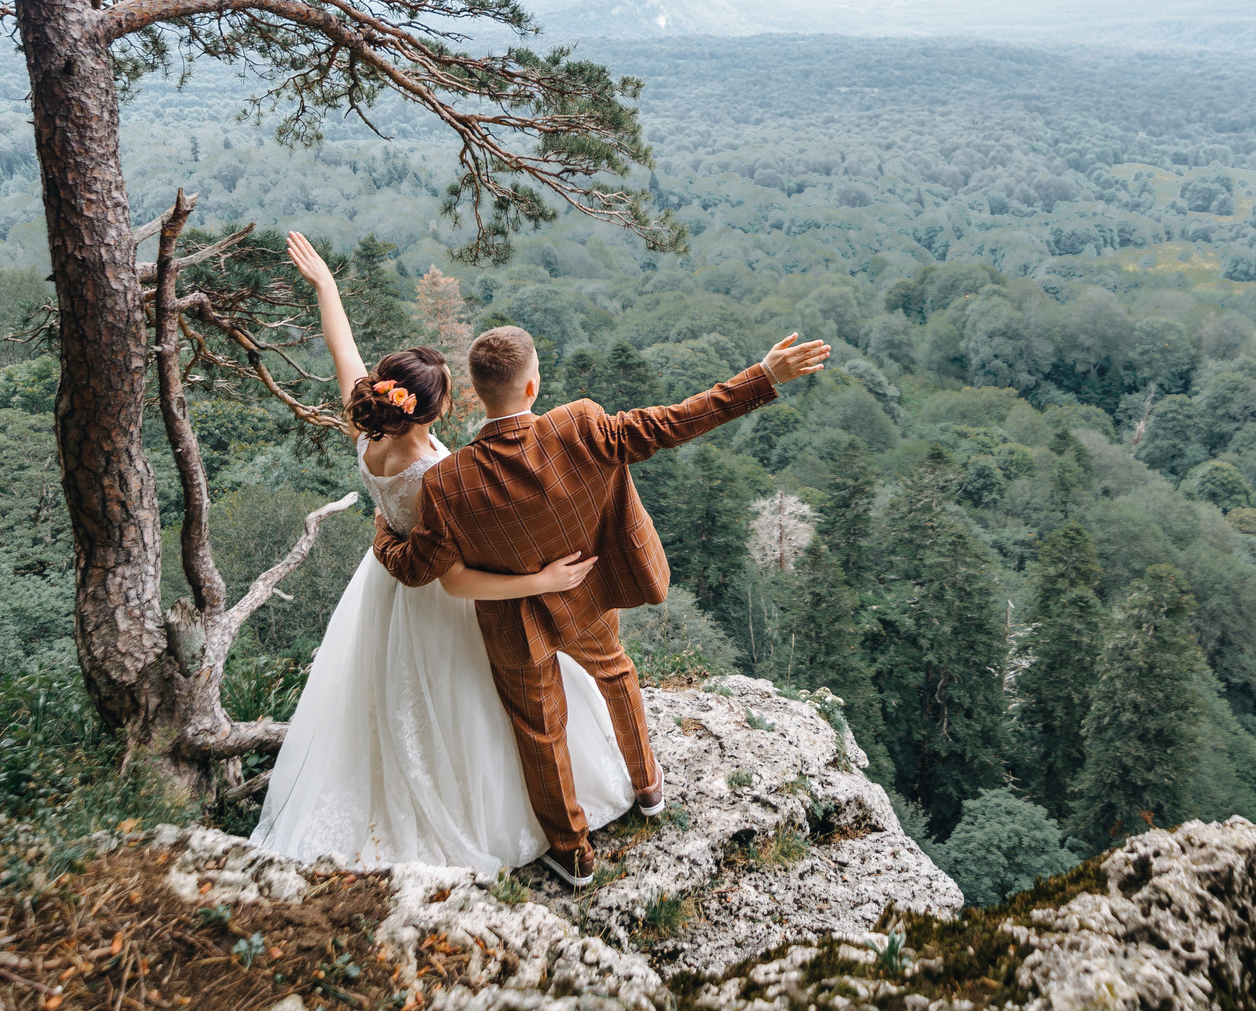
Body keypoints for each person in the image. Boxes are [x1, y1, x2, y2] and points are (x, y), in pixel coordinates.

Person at [373, 319, 831, 886]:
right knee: (615, 674)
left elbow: (419, 569)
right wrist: (761, 376)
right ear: (533, 386)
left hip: (515, 624)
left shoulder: (448, 482)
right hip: (587, 594)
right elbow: (674, 422)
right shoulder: (580, 425)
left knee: (541, 731)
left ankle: (573, 853)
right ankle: (648, 786)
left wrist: (384, 530)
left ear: (475, 391)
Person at [249, 232, 632, 876]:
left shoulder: (366, 426)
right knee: (473, 703)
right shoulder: (437, 476)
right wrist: (542, 578)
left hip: (383, 591)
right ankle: (496, 815)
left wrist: (327, 286)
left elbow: (343, 350)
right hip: (440, 600)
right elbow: (456, 582)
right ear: (435, 412)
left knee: (396, 704)